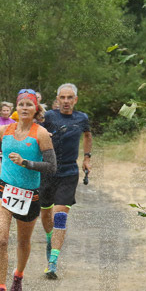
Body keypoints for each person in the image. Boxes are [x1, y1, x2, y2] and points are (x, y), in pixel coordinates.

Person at [0, 90, 56, 291]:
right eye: (21, 104)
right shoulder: (4, 130)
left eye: (29, 105)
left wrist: (26, 163)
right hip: (4, 188)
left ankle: (18, 276)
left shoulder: (40, 133)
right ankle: (0, 288)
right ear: (16, 108)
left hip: (29, 194)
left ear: (36, 109)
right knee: (2, 239)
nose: (24, 108)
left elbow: (52, 167)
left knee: (23, 241)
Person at [39, 82, 92, 278]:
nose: (66, 101)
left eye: (70, 98)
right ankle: (50, 238)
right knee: (45, 215)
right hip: (47, 171)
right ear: (57, 99)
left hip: (69, 172)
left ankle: (53, 260)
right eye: (63, 98)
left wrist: (87, 157)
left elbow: (87, 135)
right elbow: (34, 133)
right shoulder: (49, 117)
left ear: (75, 100)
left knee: (59, 214)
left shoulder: (82, 118)